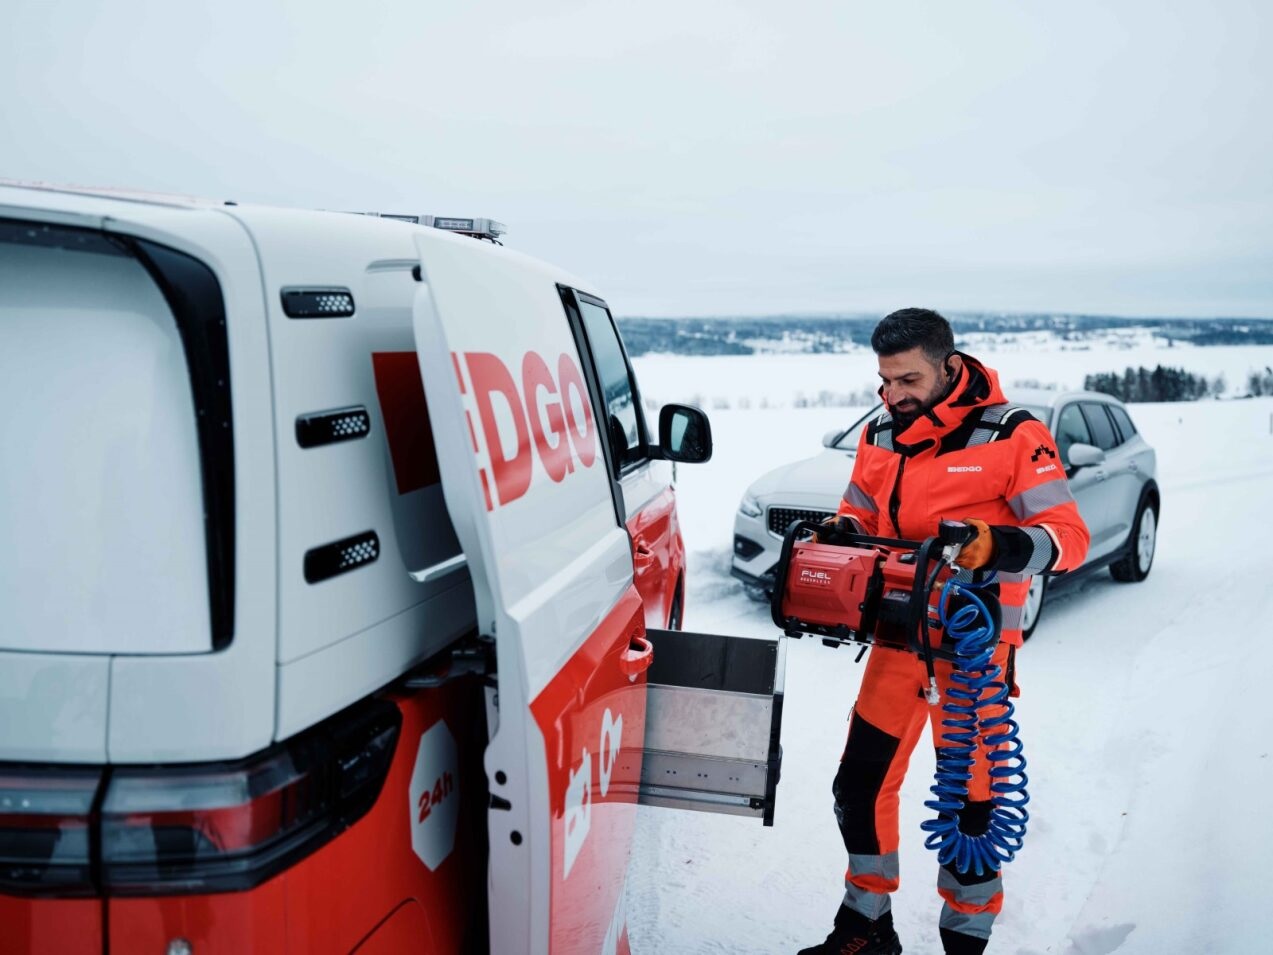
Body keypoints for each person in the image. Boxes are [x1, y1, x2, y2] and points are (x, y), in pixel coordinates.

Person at [798, 309, 1090, 955]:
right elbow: (860, 510)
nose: (892, 394)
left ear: (949, 367)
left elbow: (1069, 538)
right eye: (883, 379)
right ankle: (866, 926)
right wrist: (842, 533)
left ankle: (965, 941)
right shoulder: (878, 429)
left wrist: (997, 544)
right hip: (897, 639)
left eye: (907, 378)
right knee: (859, 784)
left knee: (971, 809)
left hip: (973, 653)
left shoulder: (1013, 433)